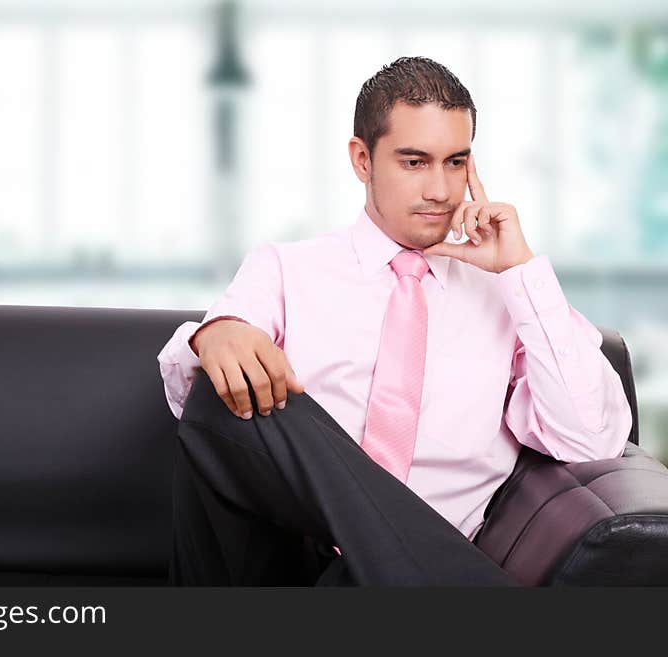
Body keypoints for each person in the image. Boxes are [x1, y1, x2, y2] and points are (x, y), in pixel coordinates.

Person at [156, 56, 633, 586]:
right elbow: (196, 410)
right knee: (222, 385)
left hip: (403, 570)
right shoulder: (287, 268)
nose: (441, 191)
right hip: (291, 558)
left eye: (456, 162)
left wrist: (521, 274)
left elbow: (591, 440)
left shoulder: (506, 297)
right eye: (414, 162)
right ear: (362, 159)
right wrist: (218, 333)